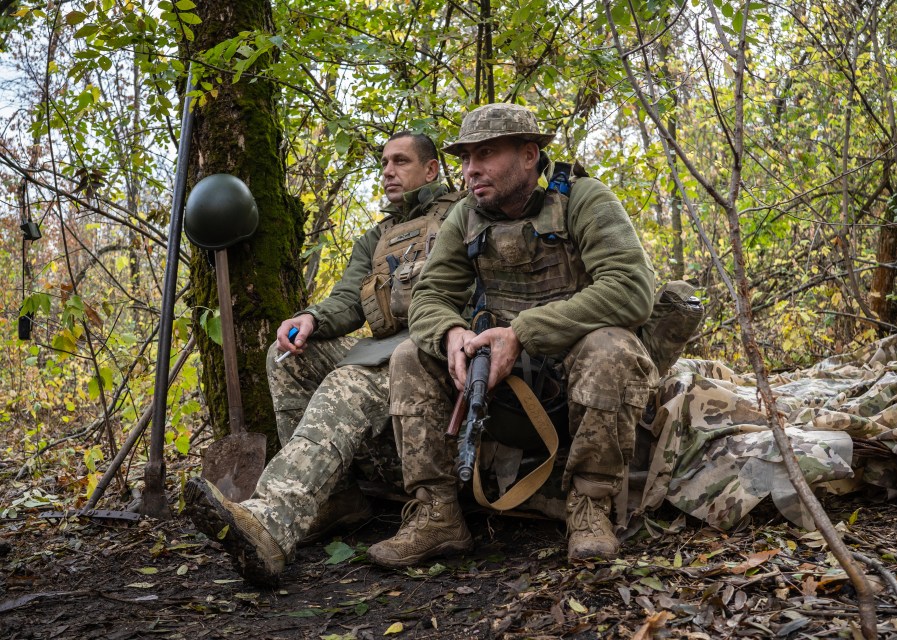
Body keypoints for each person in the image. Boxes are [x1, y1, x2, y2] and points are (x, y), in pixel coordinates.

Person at [367, 103, 659, 567]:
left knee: (611, 347)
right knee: (409, 354)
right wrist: (451, 333)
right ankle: (436, 515)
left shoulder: (583, 199)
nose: (471, 169)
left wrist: (521, 332)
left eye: (485, 154)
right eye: (464, 159)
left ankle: (589, 509)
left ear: (528, 155)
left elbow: (631, 290)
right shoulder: (465, 217)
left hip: (574, 386)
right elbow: (429, 298)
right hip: (501, 389)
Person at [184, 131, 462, 586]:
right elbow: (349, 299)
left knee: (347, 382)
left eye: (401, 162)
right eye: (385, 162)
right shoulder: (377, 237)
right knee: (286, 355)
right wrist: (311, 318)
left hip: (437, 350)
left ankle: (271, 522)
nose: (389, 171)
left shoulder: (463, 215)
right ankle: (336, 501)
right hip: (386, 348)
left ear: (431, 169)